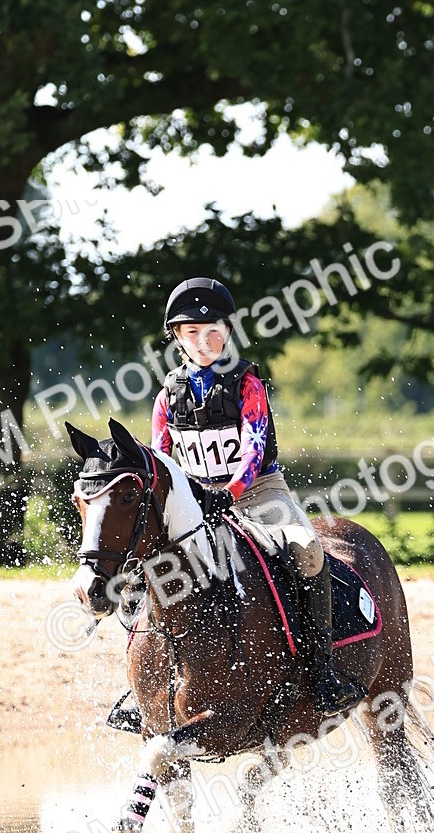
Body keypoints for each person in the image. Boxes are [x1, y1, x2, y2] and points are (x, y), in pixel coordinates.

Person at [151, 275, 366, 717]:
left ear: (228, 332)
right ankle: (147, 685)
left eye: (214, 332)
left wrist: (228, 492)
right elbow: (162, 463)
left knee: (307, 550)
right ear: (177, 337)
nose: (204, 341)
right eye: (192, 333)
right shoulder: (166, 398)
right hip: (194, 502)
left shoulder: (248, 385)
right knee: (145, 570)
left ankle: (321, 669)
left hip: (258, 493)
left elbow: (252, 450)